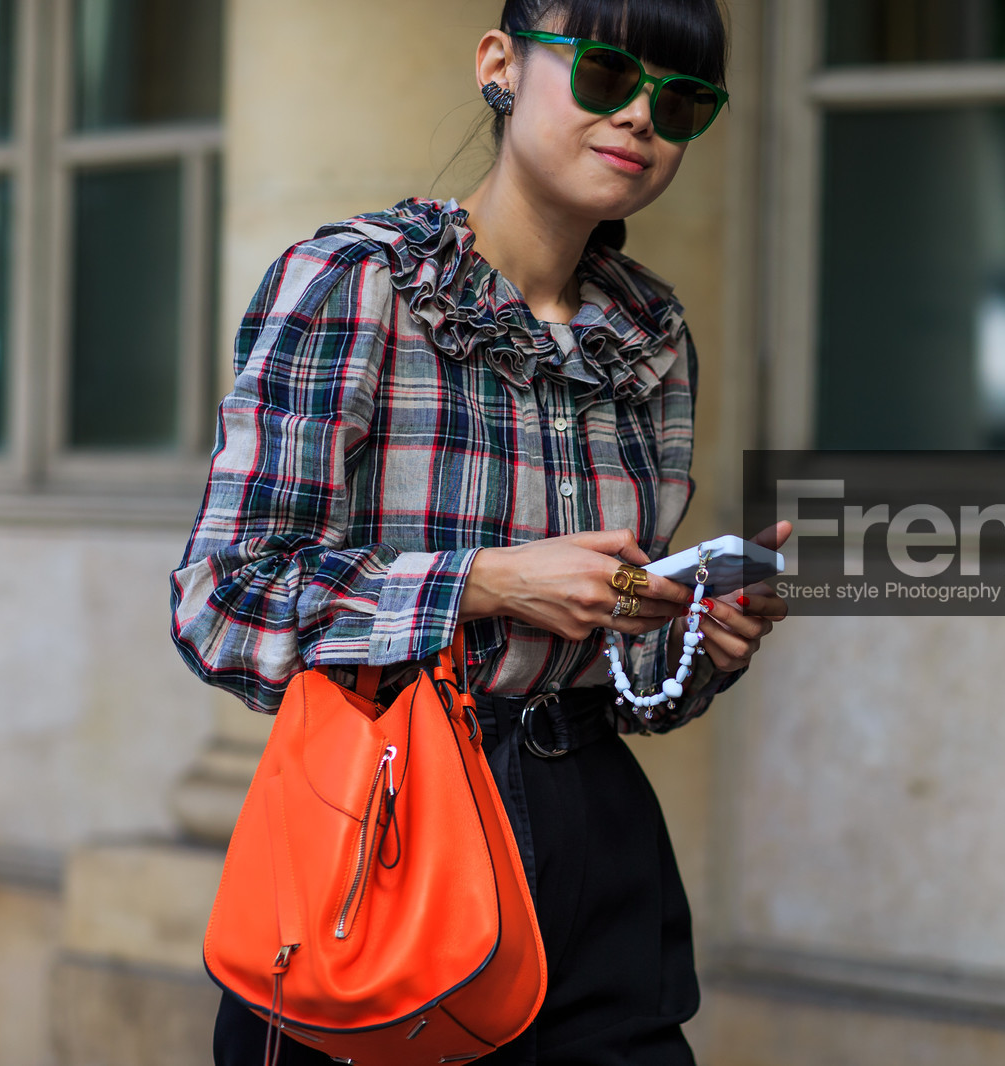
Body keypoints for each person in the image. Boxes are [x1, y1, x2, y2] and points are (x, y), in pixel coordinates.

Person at [168, 1, 790, 1062]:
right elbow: (223, 597)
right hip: (387, 834)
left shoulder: (649, 334)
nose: (641, 117)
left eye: (681, 101)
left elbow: (619, 667)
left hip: (595, 837)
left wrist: (694, 640)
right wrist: (482, 584)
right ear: (499, 64)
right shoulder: (358, 283)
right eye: (604, 76)